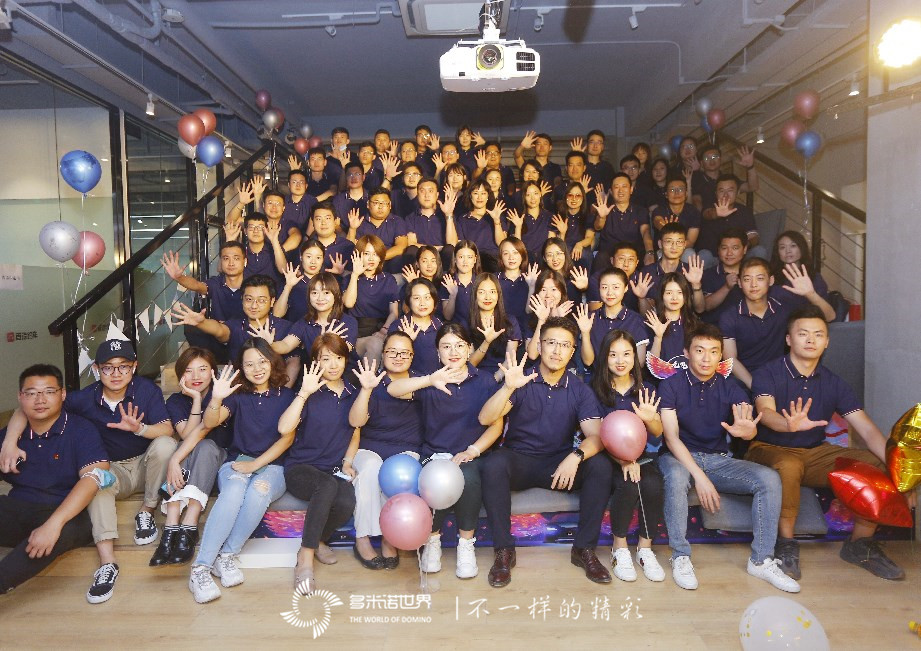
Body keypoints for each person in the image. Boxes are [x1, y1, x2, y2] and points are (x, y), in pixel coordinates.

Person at [2, 339, 175, 603]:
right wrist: (9, 442)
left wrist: (139, 429)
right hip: (112, 468)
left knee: (165, 445)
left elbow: (167, 429)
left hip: (145, 464)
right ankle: (108, 563)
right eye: (108, 367)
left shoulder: (146, 390)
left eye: (123, 366)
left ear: (134, 367)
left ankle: (147, 511)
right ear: (96, 369)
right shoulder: (82, 398)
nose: (116, 373)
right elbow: (29, 407)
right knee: (96, 480)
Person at [745, 306, 905, 581]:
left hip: (814, 453)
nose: (811, 339)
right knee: (789, 464)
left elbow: (867, 430)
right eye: (803, 333)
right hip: (768, 449)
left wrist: (898, 469)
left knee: (878, 464)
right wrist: (788, 424)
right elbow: (766, 413)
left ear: (827, 341)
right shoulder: (767, 373)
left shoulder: (834, 383)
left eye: (818, 334)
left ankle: (859, 544)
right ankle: (785, 543)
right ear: (789, 339)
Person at [656, 323, 800, 593]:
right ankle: (680, 556)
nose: (706, 358)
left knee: (769, 478)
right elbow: (671, 438)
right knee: (676, 476)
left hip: (717, 460)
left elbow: (748, 425)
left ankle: (761, 560)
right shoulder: (671, 385)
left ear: (721, 355)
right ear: (687, 352)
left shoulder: (731, 388)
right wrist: (700, 478)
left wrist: (747, 432)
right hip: (678, 457)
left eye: (713, 351)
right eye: (700, 350)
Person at [479, 318, 614, 587]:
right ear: (539, 346)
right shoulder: (522, 379)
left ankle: (584, 549)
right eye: (551, 343)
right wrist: (508, 387)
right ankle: (504, 551)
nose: (556, 350)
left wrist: (575, 457)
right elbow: (485, 418)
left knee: (600, 466)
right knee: (494, 464)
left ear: (572, 352)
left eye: (564, 345)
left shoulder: (579, 389)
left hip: (558, 463)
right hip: (519, 459)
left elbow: (597, 436)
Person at [388, 323, 505, 579]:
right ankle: (433, 541)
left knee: (468, 477)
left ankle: (466, 545)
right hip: (435, 454)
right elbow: (393, 389)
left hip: (470, 454)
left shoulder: (484, 380)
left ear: (470, 348)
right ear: (437, 352)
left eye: (460, 345)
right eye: (446, 346)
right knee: (438, 477)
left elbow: (496, 425)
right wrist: (429, 380)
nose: (454, 352)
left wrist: (473, 450)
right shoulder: (431, 379)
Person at [188, 338, 296, 604]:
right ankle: (201, 567)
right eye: (249, 364)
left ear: (272, 362)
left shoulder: (287, 396)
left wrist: (255, 466)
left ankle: (226, 555)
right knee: (235, 489)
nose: (257, 369)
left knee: (259, 490)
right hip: (237, 460)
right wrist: (216, 397)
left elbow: (287, 439)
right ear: (241, 368)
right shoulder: (237, 396)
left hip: (274, 466)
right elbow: (210, 422)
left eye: (262, 362)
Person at [0, 364, 109, 596]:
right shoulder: (10, 436)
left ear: (63, 394)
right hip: (21, 508)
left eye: (49, 392)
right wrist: (8, 443)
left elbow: (93, 478)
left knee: (63, 531)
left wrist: (53, 525)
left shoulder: (81, 429)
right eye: (31, 393)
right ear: (20, 397)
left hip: (67, 513)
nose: (40, 400)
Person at [277, 334, 361, 592]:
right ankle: (305, 558)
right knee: (326, 486)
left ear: (346, 360)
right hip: (301, 468)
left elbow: (355, 432)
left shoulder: (352, 393)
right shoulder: (308, 391)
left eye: (338, 358)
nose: (333, 365)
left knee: (346, 501)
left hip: (333, 468)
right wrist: (304, 393)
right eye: (326, 359)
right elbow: (284, 428)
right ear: (315, 362)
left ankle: (320, 540)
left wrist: (347, 461)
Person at [590, 331, 666, 582]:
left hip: (641, 456)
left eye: (626, 354)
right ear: (605, 357)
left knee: (653, 483)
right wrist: (623, 460)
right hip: (606, 457)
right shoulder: (595, 389)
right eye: (613, 354)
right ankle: (619, 547)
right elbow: (597, 435)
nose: (620, 360)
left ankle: (645, 549)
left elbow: (658, 433)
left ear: (635, 356)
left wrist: (650, 419)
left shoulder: (647, 389)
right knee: (629, 483)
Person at [348, 332, 423, 570]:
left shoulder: (420, 382)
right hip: (370, 447)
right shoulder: (372, 380)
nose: (398, 357)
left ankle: (390, 538)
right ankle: (363, 538)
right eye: (392, 351)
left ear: (412, 356)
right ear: (383, 354)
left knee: (398, 474)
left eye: (404, 353)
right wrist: (366, 390)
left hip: (406, 450)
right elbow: (356, 422)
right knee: (371, 469)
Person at [150, 348, 231, 567]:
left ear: (213, 372)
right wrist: (195, 399)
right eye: (188, 371)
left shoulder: (223, 394)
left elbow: (201, 432)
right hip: (192, 467)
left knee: (202, 446)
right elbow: (187, 435)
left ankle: (190, 522)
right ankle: (172, 525)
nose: (196, 376)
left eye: (202, 369)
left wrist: (175, 459)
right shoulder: (176, 401)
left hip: (220, 462)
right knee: (183, 447)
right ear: (180, 375)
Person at [720, 258, 835, 389]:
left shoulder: (784, 306)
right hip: (744, 381)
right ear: (740, 283)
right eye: (747, 279)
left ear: (771, 280)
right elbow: (730, 360)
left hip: (780, 378)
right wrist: (757, 387)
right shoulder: (730, 316)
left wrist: (811, 294)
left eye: (760, 278)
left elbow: (830, 316)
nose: (753, 284)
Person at [171, 274, 298, 384]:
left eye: (261, 300)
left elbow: (293, 362)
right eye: (249, 299)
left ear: (272, 302)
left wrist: (283, 394)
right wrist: (201, 322)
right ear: (242, 300)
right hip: (241, 391)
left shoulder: (285, 327)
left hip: (276, 391)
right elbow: (219, 330)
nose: (254, 305)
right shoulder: (235, 325)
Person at [161, 242, 246, 362]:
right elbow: (197, 285)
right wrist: (179, 277)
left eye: (236, 258)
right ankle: (210, 364)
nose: (231, 263)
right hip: (218, 336)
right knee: (193, 328)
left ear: (245, 261)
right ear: (221, 262)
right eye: (226, 258)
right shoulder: (216, 283)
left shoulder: (253, 284)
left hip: (244, 335)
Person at [344, 235, 401, 364]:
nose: (371, 258)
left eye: (375, 254)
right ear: (358, 255)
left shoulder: (388, 279)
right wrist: (355, 275)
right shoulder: (349, 279)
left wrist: (384, 330)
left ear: (380, 257)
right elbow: (348, 303)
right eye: (366, 254)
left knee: (379, 342)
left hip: (382, 327)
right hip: (356, 331)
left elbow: (394, 312)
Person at [579, 268, 650, 371]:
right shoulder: (590, 319)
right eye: (604, 287)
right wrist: (585, 333)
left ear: (625, 288)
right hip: (597, 378)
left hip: (627, 378)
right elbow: (588, 361)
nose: (609, 293)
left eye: (615, 287)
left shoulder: (635, 320)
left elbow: (640, 362)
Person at [636, 223, 705, 315]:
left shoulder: (691, 271)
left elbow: (700, 309)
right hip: (655, 322)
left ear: (684, 244)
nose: (674, 247)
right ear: (660, 244)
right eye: (669, 241)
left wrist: (696, 284)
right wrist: (642, 298)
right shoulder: (647, 272)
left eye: (679, 242)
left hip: (685, 322)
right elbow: (645, 316)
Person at [593, 173, 654, 273]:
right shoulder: (604, 208)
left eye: (624, 186)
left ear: (631, 189)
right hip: (609, 254)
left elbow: (645, 232)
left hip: (633, 254)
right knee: (601, 257)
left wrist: (650, 252)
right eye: (616, 187)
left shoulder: (640, 211)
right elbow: (598, 227)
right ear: (611, 191)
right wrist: (602, 216)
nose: (620, 190)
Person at [465, 273, 521, 380]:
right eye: (482, 292)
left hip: (503, 376)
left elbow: (510, 359)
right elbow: (471, 363)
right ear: (475, 295)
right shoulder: (466, 323)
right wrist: (486, 342)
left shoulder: (510, 321)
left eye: (492, 292)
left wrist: (495, 379)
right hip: (474, 377)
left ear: (498, 295)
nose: (487, 297)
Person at [696, 175, 763, 259]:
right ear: (716, 193)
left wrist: (744, 246)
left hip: (738, 257)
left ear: (738, 192)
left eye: (730, 191)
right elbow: (707, 214)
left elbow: (753, 237)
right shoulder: (709, 207)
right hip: (713, 258)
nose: (725, 195)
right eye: (722, 191)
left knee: (759, 250)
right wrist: (717, 214)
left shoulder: (745, 211)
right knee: (704, 255)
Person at [447, 178, 507, 272]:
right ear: (470, 196)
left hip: (493, 259)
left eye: (483, 193)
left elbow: (502, 243)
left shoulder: (497, 216)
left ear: (488, 196)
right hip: (471, 260)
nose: (479, 197)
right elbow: (458, 244)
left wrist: (496, 221)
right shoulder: (462, 219)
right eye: (476, 193)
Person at [347, 187, 408, 273]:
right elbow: (350, 248)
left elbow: (401, 247)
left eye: (384, 203)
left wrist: (377, 259)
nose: (380, 207)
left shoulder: (397, 221)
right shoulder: (359, 222)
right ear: (368, 204)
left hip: (388, 263)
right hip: (364, 265)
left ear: (390, 205)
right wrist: (352, 228)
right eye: (376, 203)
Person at [645, 273, 701, 367]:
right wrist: (658, 337)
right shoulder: (652, 324)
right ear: (662, 295)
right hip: (661, 376)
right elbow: (651, 367)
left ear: (685, 296)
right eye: (669, 293)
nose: (674, 298)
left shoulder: (695, 324)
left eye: (680, 292)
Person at [390, 278, 444, 375]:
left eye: (427, 297)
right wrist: (406, 341)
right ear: (409, 301)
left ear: (434, 300)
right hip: (409, 381)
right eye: (416, 298)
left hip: (438, 380)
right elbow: (391, 363)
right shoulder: (398, 326)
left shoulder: (440, 326)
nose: (422, 303)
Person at [692, 145, 759, 222]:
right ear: (701, 163)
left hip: (730, 219)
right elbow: (697, 206)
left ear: (720, 159)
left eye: (715, 157)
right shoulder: (696, 179)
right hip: (707, 222)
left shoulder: (728, 178)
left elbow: (752, 187)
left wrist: (750, 167)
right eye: (707, 158)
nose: (711, 160)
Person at [769, 231, 830, 311]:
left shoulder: (813, 276)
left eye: (793, 246)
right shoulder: (771, 276)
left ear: (802, 248)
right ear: (777, 252)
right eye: (782, 247)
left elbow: (825, 311)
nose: (788, 251)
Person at [273, 239, 328, 323]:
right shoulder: (292, 281)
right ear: (301, 257)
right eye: (309, 257)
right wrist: (288, 286)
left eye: (318, 257)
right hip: (296, 329)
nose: (313, 262)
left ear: (323, 259)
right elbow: (277, 314)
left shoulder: (328, 282)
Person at [701, 228, 748, 323]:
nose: (729, 253)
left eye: (735, 248)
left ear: (745, 249)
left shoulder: (750, 274)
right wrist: (727, 287)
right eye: (724, 248)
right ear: (718, 250)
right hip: (714, 327)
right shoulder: (708, 274)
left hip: (743, 327)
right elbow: (706, 306)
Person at [496, 237, 538, 330]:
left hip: (526, 330)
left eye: (515, 252)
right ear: (501, 257)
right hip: (501, 330)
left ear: (522, 255)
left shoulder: (531, 279)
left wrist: (532, 286)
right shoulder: (494, 279)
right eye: (506, 253)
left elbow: (530, 311)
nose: (511, 257)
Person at [651, 176, 701, 251]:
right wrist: (666, 228)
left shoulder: (693, 212)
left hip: (684, 249)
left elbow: (690, 242)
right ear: (666, 194)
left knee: (689, 253)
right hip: (664, 249)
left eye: (680, 189)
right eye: (672, 190)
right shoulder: (659, 210)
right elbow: (658, 221)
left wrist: (675, 246)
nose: (676, 193)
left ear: (686, 193)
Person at [506, 180, 554, 259]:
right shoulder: (518, 218)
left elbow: (551, 244)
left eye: (535, 193)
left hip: (544, 259)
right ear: (524, 197)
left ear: (540, 194)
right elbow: (516, 248)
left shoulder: (549, 216)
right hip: (524, 259)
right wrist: (518, 227)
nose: (532, 198)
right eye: (528, 195)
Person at [441, 240, 482, 324]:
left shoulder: (482, 281)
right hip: (455, 328)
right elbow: (447, 316)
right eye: (461, 257)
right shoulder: (448, 281)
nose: (465, 261)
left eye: (469, 257)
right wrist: (453, 295)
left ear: (475, 259)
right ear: (455, 259)